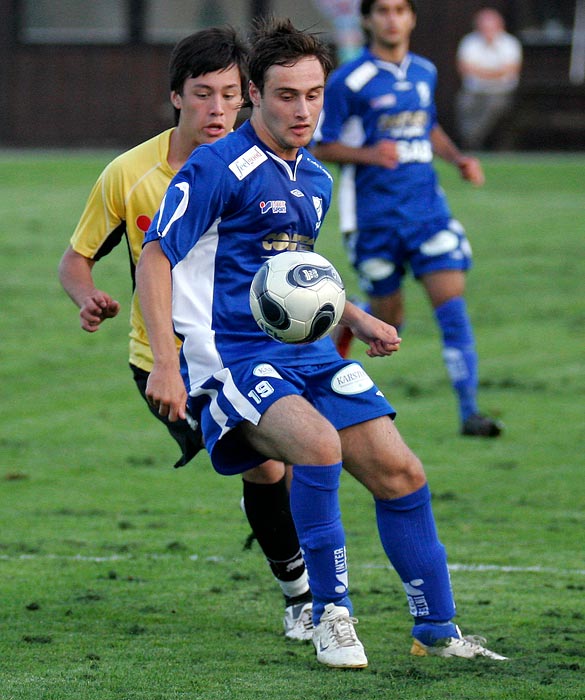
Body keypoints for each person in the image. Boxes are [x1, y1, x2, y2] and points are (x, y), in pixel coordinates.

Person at [136, 16, 507, 669]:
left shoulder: (314, 178)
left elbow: (290, 277)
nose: (303, 108)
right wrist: (166, 364)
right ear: (254, 92)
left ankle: (438, 631)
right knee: (316, 445)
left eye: (314, 95)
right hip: (229, 357)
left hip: (302, 354)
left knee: (402, 473)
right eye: (286, 94)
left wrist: (354, 317)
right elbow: (156, 257)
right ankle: (329, 617)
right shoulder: (216, 166)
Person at [57, 27, 313, 642]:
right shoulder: (130, 174)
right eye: (203, 94)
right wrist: (86, 295)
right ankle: (302, 599)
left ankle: (284, 541)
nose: (217, 109)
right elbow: (76, 259)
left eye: (230, 94)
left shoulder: (263, 168)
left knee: (295, 460)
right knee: (270, 470)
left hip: (251, 350)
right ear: (176, 97)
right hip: (168, 364)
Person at [312, 0, 503, 438]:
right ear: (367, 20)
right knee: (388, 323)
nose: (392, 18)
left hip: (427, 213)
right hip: (374, 220)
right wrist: (368, 155)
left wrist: (457, 158)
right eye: (382, 10)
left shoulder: (425, 71)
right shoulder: (348, 80)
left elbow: (428, 125)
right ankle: (338, 342)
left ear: (411, 17)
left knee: (451, 308)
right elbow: (322, 145)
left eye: (400, 9)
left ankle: (470, 412)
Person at [455, 7, 523, 150]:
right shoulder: (469, 42)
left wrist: (480, 71)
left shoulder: (510, 43)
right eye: (484, 27)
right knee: (464, 104)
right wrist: (495, 72)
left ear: (500, 27)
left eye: (490, 27)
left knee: (493, 107)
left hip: (501, 92)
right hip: (474, 91)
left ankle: (473, 141)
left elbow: (510, 69)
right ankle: (471, 141)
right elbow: (465, 69)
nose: (487, 31)